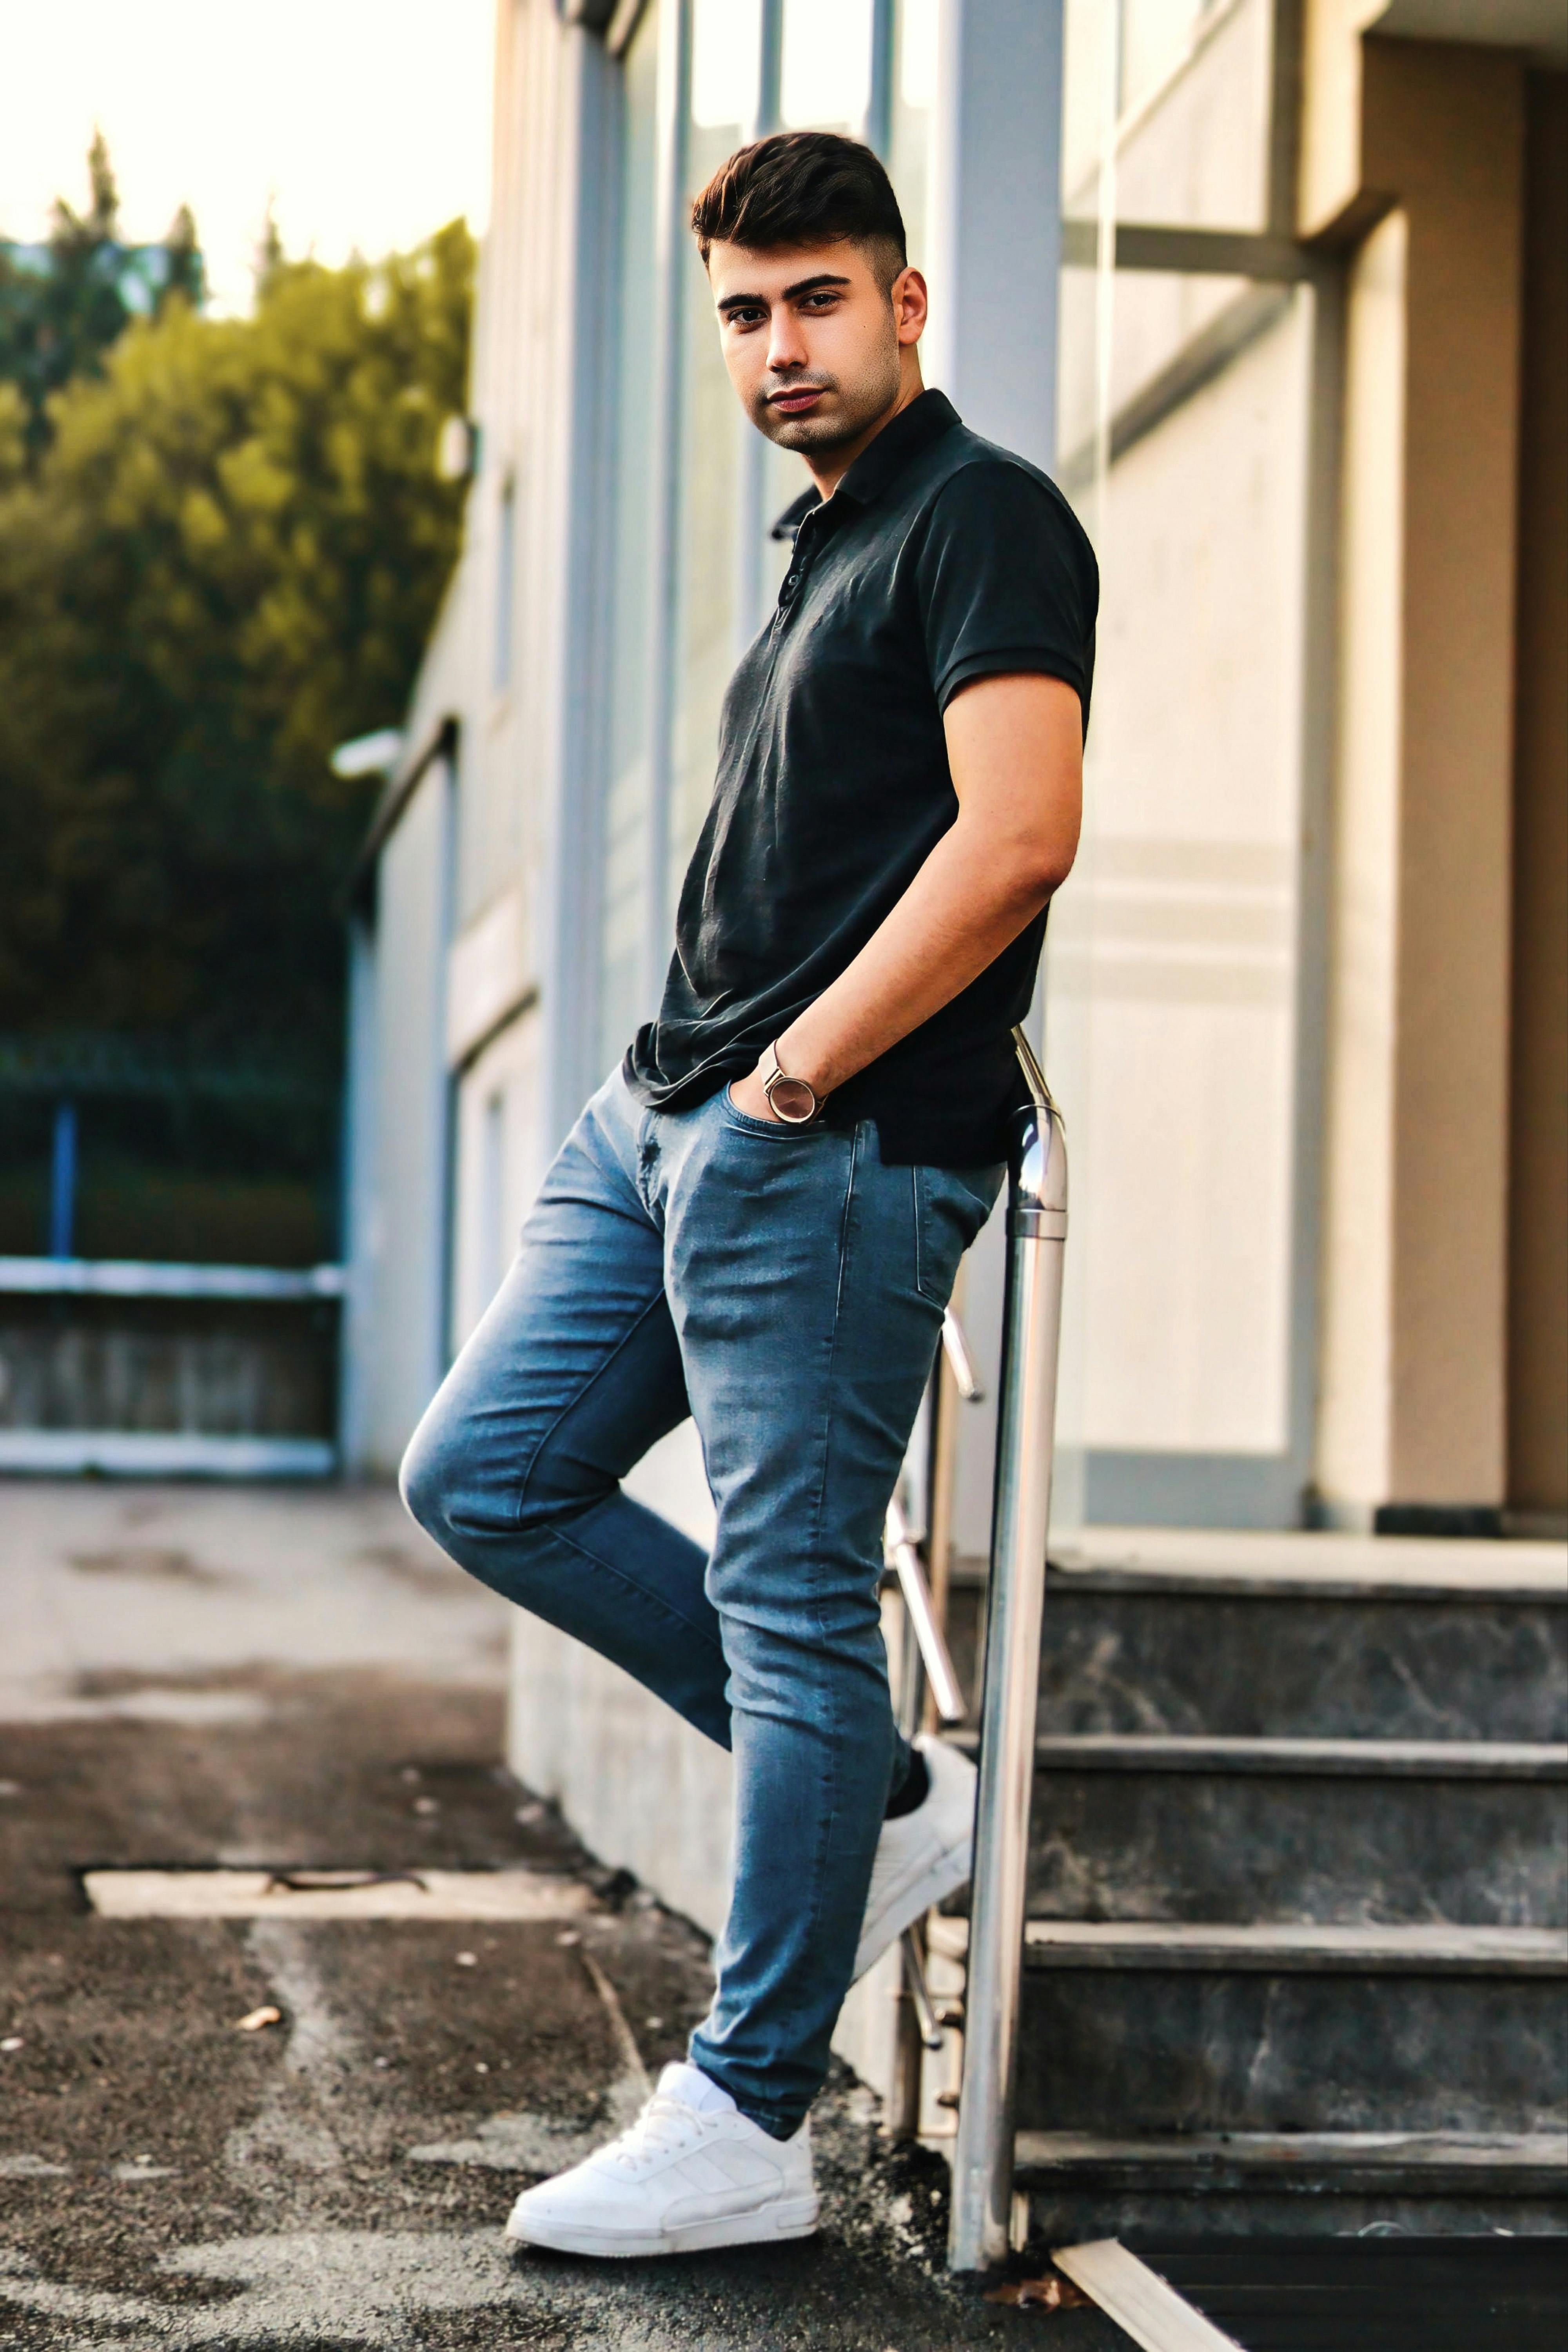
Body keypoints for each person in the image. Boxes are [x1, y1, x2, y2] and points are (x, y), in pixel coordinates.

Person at [400, 128, 1096, 2259]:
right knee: (487, 1471)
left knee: (800, 1609)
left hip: (833, 1141)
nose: (777, 345)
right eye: (742, 312)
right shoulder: (834, 543)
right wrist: (704, 1078)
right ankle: (882, 1802)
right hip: (670, 1120)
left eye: (816, 299)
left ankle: (748, 2107)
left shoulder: (984, 517)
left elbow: (1019, 833)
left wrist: (799, 1074)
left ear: (902, 303)